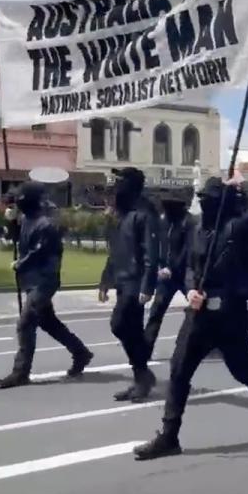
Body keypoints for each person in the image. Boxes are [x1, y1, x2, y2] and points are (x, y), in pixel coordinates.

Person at [133, 177, 248, 461]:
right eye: (201, 198)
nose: (204, 203)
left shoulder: (239, 227)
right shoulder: (196, 228)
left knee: (243, 370)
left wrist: (245, 185)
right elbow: (190, 265)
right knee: (179, 369)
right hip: (199, 312)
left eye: (210, 199)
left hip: (230, 313)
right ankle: (169, 436)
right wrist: (191, 289)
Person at [0, 182, 93, 389]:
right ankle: (80, 352)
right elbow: (15, 240)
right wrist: (11, 223)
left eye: (18, 202)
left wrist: (20, 264)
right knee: (48, 322)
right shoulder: (26, 220)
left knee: (26, 323)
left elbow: (39, 251)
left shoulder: (45, 225)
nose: (15, 205)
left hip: (44, 280)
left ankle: (20, 372)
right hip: (31, 280)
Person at [99, 168, 159, 402]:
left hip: (136, 281)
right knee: (131, 329)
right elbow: (115, 251)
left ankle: (142, 373)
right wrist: (105, 280)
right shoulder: (121, 214)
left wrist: (147, 286)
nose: (115, 187)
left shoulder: (143, 213)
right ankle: (141, 376)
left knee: (120, 324)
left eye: (120, 182)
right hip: (123, 280)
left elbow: (150, 254)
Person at [144, 194, 194, 353]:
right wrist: (160, 266)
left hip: (186, 275)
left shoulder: (189, 223)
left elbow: (188, 251)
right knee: (156, 312)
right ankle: (146, 349)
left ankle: (209, 343)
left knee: (199, 310)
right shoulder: (163, 222)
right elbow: (159, 247)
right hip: (166, 277)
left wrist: (172, 268)